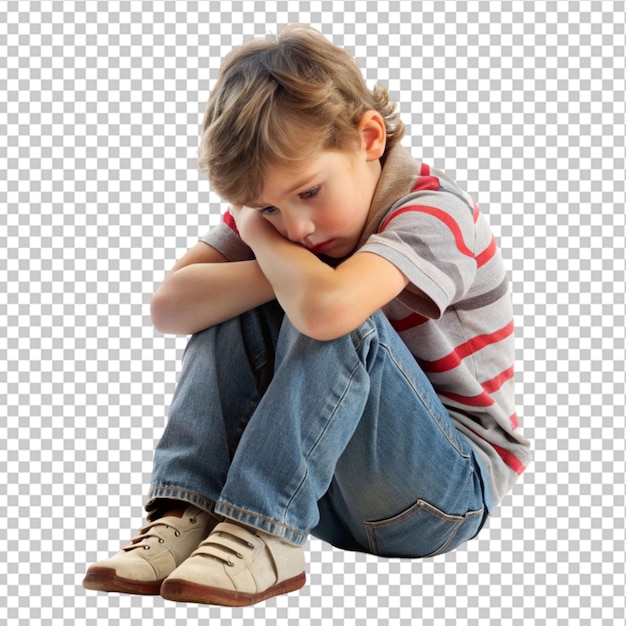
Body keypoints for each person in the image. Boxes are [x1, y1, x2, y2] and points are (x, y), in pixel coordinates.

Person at [83, 24, 532, 607]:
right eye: (266, 207)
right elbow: (170, 307)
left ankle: (263, 526)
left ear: (368, 138)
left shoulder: (435, 211)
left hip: (440, 494)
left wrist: (263, 243)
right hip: (326, 500)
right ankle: (190, 509)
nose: (295, 227)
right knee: (240, 304)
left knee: (331, 307)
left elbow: (328, 310)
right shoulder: (285, 216)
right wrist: (272, 257)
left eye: (310, 193)